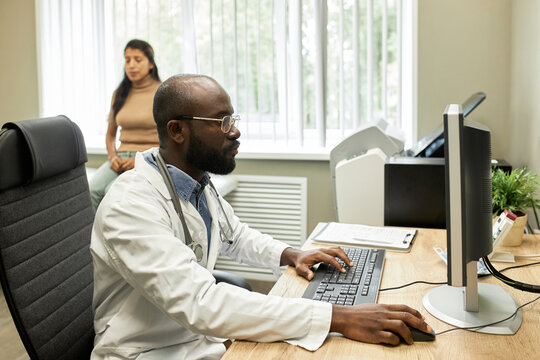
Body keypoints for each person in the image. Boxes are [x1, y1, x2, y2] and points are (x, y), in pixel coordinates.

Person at [90, 74, 432, 359]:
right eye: (221, 122)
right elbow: (201, 303)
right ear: (177, 130)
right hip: (144, 350)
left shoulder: (196, 181)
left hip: (192, 339)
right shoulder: (130, 205)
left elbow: (235, 235)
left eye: (233, 119)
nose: (235, 131)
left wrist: (291, 254)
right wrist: (338, 317)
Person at [89, 39, 161, 209]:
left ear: (151, 64)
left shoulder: (163, 92)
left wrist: (141, 159)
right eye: (127, 60)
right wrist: (112, 156)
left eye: (137, 59)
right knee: (91, 191)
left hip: (149, 158)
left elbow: (171, 139)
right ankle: (95, 236)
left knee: (110, 192)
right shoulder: (119, 93)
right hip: (121, 158)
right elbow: (110, 135)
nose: (131, 65)